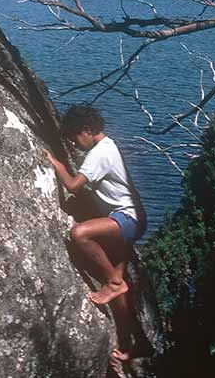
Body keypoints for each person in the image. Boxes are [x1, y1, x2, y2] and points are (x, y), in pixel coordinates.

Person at [44, 104, 148, 361]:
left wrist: (55, 163)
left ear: (87, 130)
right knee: (121, 294)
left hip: (127, 219)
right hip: (131, 218)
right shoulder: (108, 145)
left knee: (80, 234)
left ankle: (113, 282)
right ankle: (134, 344)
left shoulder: (99, 153)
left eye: (74, 137)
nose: (74, 143)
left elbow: (73, 186)